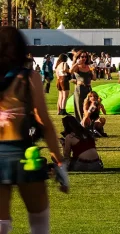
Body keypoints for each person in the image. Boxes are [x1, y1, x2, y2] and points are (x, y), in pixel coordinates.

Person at [0, 27, 68, 234]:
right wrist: (59, 162)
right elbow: (43, 120)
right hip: (23, 155)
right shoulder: (28, 77)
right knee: (39, 224)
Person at [69, 53, 93, 122]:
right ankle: (79, 123)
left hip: (88, 88)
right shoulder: (77, 66)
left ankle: (88, 122)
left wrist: (93, 71)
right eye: (82, 57)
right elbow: (71, 71)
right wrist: (77, 63)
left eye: (85, 56)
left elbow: (93, 78)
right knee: (79, 106)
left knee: (89, 105)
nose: (84, 58)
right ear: (78, 57)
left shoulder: (88, 66)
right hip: (80, 89)